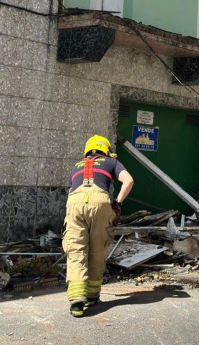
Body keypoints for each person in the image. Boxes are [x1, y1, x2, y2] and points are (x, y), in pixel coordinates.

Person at [63, 135, 134, 317]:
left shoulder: (76, 166)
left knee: (76, 249)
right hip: (100, 202)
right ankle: (93, 295)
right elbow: (128, 180)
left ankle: (77, 301)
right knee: (97, 249)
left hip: (74, 203)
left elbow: (72, 189)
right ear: (106, 150)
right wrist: (117, 202)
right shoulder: (111, 162)